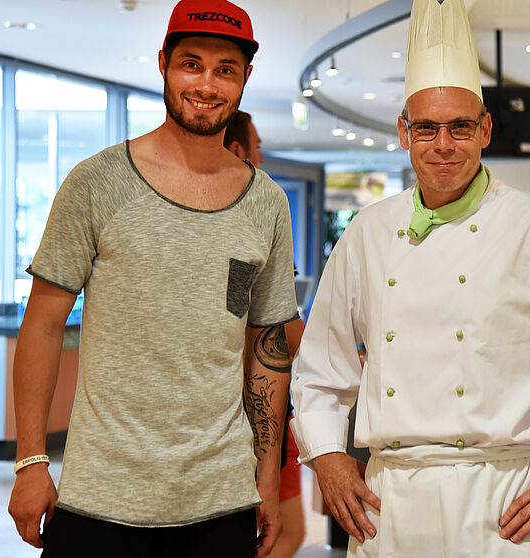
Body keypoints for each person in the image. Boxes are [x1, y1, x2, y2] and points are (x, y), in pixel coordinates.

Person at [289, 1, 530, 556]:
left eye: (460, 127)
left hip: (506, 504)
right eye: (426, 128)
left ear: (486, 129)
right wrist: (327, 457)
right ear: (403, 132)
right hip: (390, 503)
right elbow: (321, 367)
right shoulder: (366, 234)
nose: (443, 145)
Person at [7, 1, 299, 557]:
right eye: (192, 64)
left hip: (220, 499)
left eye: (225, 70)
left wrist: (266, 475)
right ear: (163, 63)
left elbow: (267, 348)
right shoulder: (96, 183)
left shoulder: (267, 203)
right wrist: (30, 460)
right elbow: (43, 324)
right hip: (100, 495)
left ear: (244, 80)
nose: (207, 85)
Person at [225, 110, 307, 558]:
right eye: (255, 147)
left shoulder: (261, 212)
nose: (260, 157)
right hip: (253, 416)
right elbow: (263, 325)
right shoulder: (248, 227)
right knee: (281, 532)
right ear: (237, 151)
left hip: (257, 415)